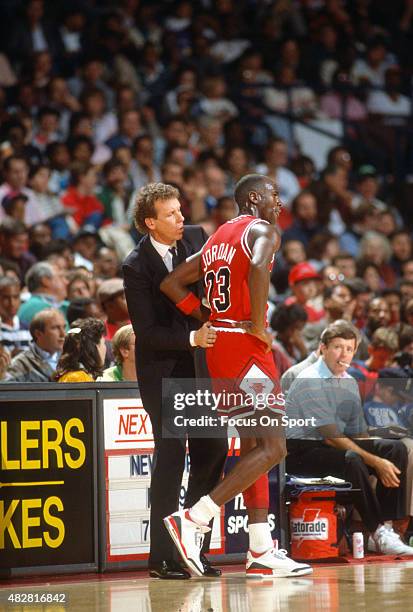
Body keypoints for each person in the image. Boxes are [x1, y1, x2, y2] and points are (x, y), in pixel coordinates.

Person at [160, 174, 312, 578]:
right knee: (275, 447)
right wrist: (260, 327)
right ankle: (193, 518)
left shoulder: (216, 237)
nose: (279, 204)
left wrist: (205, 315)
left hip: (221, 346)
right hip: (246, 346)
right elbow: (260, 266)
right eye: (275, 196)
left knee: (252, 448)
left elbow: (172, 283)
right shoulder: (262, 228)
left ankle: (260, 549)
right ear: (255, 198)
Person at [123, 182, 228, 580]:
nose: (181, 217)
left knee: (214, 449)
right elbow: (146, 333)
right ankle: (161, 558)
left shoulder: (198, 238)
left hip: (200, 368)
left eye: (180, 210)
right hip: (163, 372)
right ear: (151, 222)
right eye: (171, 214)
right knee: (171, 457)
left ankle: (194, 550)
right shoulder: (135, 265)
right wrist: (190, 337)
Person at [285, 319, 413, 556]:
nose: (343, 354)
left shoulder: (349, 382)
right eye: (337, 347)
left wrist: (380, 454)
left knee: (395, 450)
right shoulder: (309, 379)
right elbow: (330, 436)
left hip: (331, 447)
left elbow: (357, 433)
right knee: (353, 458)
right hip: (301, 453)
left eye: (349, 348)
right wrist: (375, 463)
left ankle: (384, 529)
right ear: (323, 348)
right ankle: (376, 530)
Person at [5, 308, 66, 382]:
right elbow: (7, 392)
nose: (63, 334)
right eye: (55, 328)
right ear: (38, 334)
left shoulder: (70, 360)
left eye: (64, 327)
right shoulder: (19, 365)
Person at [55, 317, 106, 382]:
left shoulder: (78, 375)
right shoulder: (79, 378)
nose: (105, 348)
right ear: (93, 347)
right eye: (103, 343)